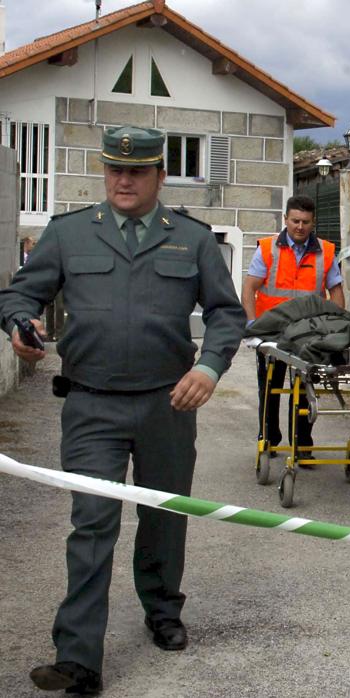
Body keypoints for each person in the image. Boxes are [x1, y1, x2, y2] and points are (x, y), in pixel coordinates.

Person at [0, 125, 245, 694]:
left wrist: (207, 368)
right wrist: (21, 326)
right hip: (91, 406)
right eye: (114, 169)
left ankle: (162, 609)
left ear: (160, 175)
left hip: (168, 404)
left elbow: (226, 314)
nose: (124, 179)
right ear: (104, 172)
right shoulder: (67, 235)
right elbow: (18, 295)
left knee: (164, 515)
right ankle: (79, 656)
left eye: (136, 171)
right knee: (92, 525)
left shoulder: (191, 238)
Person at [241, 195, 344, 464]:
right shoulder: (267, 249)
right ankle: (268, 438)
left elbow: (336, 291)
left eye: (305, 222)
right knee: (270, 387)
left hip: (309, 334)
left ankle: (302, 445)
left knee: (305, 389)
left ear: (313, 223)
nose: (300, 226)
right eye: (295, 221)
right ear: (285, 219)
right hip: (271, 333)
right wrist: (252, 325)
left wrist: (334, 326)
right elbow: (250, 287)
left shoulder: (326, 251)